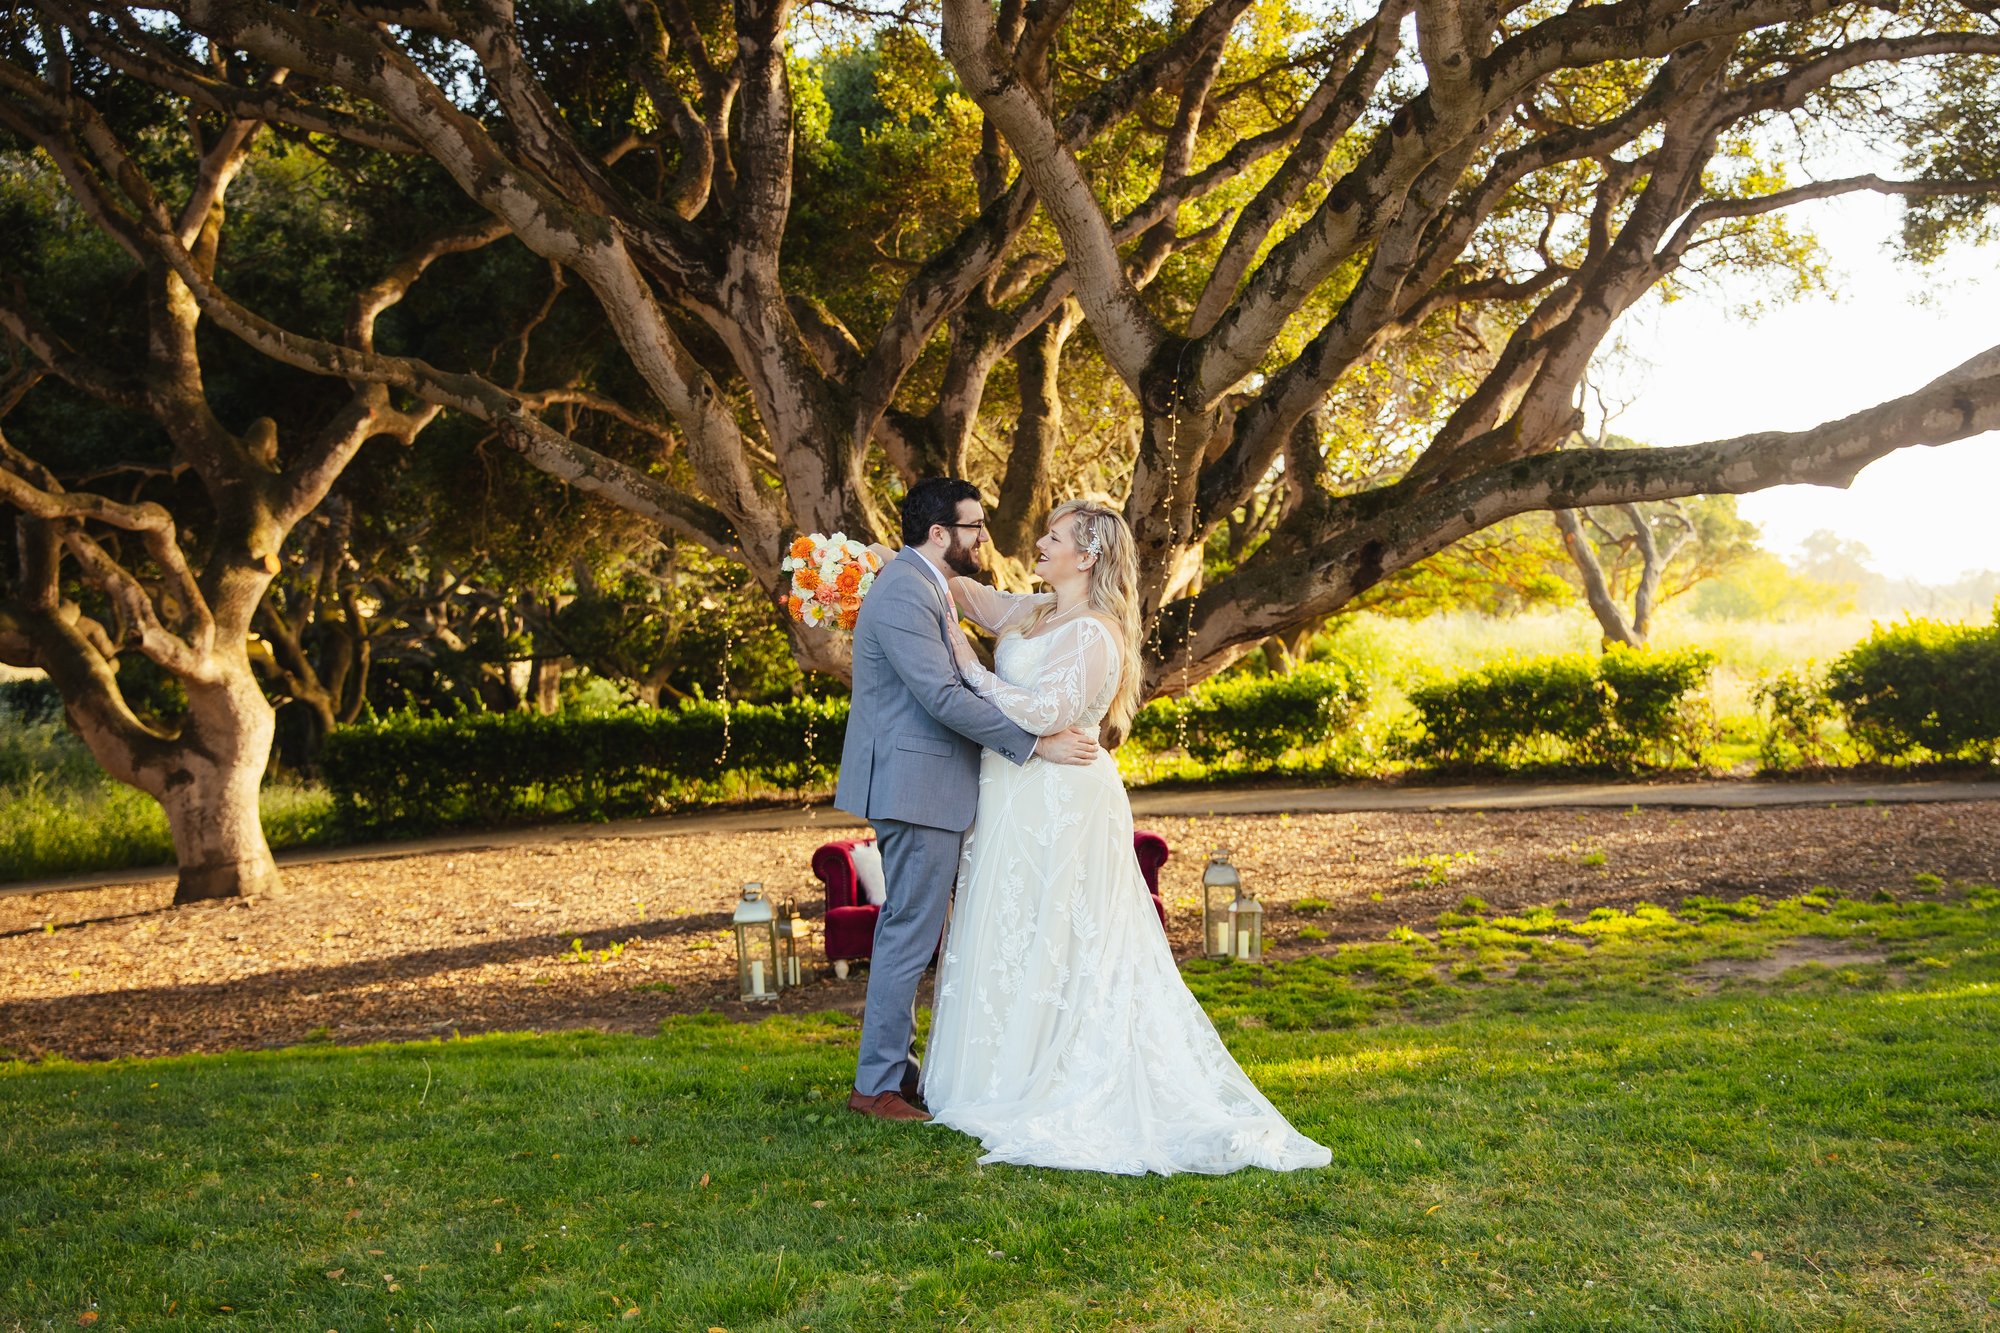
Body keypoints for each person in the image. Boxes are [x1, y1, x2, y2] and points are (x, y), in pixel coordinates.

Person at [921, 498, 1331, 1175]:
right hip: (1014, 797)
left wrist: (968, 667)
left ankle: (1054, 1073)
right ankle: (999, 1068)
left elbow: (1050, 710)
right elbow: (965, 592)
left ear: (1085, 557)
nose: (1039, 544)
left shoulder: (1095, 633)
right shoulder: (1033, 611)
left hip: (1063, 800)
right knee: (1012, 924)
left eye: (1052, 537)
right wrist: (892, 566)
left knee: (1063, 935)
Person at [834, 478, 1102, 1123]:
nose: (986, 538)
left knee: (919, 929)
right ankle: (876, 1088)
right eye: (975, 527)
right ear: (939, 533)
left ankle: (899, 1071)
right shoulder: (905, 591)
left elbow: (987, 621)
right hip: (915, 787)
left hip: (927, 785)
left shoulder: (924, 582)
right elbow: (943, 698)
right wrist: (1034, 746)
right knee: (909, 932)